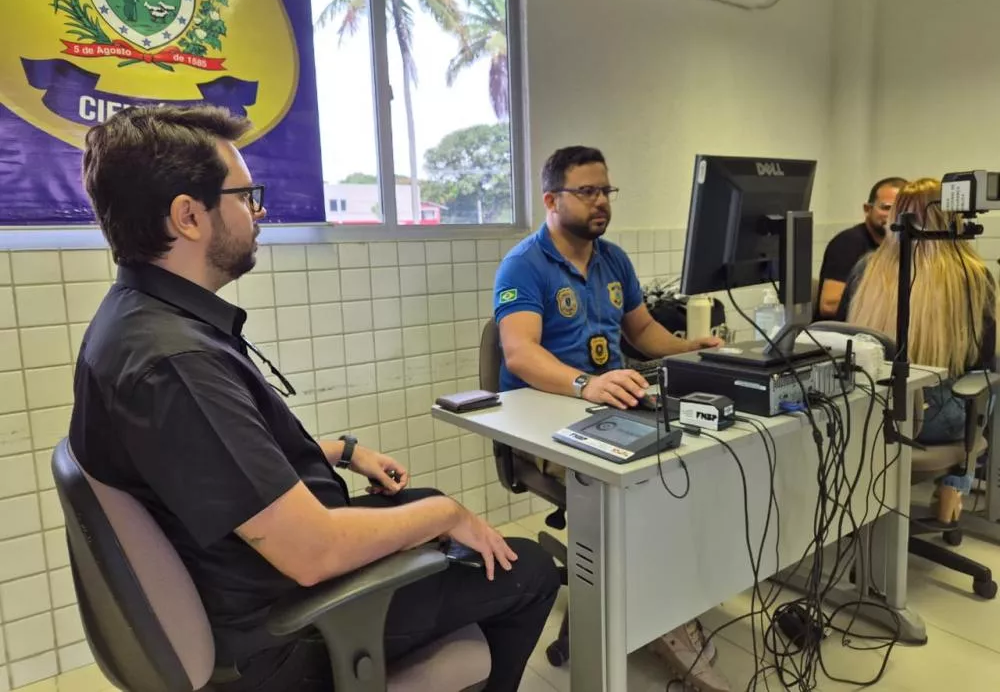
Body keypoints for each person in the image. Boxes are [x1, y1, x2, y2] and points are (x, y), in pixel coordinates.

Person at [69, 105, 559, 692]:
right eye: (245, 197)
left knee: (427, 507)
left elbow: (210, 466)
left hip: (252, 575)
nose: (258, 212)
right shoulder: (175, 364)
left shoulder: (139, 321)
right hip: (286, 631)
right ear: (188, 216)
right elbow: (312, 553)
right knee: (527, 569)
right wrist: (449, 515)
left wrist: (342, 452)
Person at [493, 146, 728, 692]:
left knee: (695, 463)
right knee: (654, 486)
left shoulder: (614, 260)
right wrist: (585, 383)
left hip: (611, 409)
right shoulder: (523, 264)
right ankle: (667, 622)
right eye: (587, 192)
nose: (601, 202)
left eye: (606, 191)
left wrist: (688, 348)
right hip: (545, 426)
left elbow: (641, 331)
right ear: (552, 200)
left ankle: (668, 598)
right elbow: (520, 354)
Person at [839, 178, 996, 525]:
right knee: (991, 376)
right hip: (936, 421)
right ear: (951, 218)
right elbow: (981, 358)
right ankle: (955, 487)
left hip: (871, 412)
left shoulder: (866, 269)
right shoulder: (973, 275)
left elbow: (843, 335)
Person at [814, 176, 907, 319]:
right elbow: (829, 306)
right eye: (886, 208)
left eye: (901, 209)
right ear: (868, 209)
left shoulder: (905, 245)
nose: (893, 215)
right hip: (844, 330)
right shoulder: (847, 243)